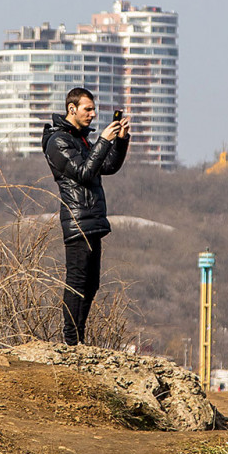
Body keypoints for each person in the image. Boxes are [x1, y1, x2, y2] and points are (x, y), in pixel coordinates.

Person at [42, 87, 130, 345]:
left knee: (91, 284)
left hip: (93, 221)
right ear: (72, 109)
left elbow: (107, 166)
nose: (93, 114)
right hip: (77, 221)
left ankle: (79, 337)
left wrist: (120, 140)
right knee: (77, 282)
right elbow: (83, 172)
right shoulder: (58, 141)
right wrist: (103, 141)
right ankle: (71, 340)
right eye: (87, 109)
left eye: (94, 109)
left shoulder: (80, 139)